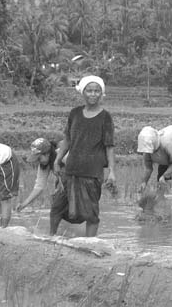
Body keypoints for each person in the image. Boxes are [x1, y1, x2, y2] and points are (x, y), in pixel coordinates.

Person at [51, 75, 116, 237]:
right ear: (83, 92)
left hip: (92, 173)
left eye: (96, 91)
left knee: (91, 214)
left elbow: (109, 147)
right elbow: (68, 139)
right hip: (71, 170)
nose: (93, 94)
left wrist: (112, 171)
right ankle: (51, 237)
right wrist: (58, 160)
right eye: (89, 90)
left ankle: (90, 243)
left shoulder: (105, 117)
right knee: (57, 208)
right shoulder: (75, 113)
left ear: (101, 94)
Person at [137, 125, 172, 198]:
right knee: (161, 170)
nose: (148, 153)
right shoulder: (147, 151)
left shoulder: (166, 144)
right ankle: (162, 198)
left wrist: (165, 175)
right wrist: (144, 182)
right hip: (170, 144)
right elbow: (148, 169)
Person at [17, 138, 61, 212]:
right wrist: (24, 204)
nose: (38, 162)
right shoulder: (44, 164)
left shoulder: (62, 155)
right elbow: (39, 186)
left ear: (47, 154)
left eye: (39, 158)